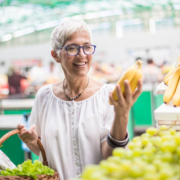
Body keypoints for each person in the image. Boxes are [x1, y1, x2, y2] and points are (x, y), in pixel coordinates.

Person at [17, 20, 142, 180]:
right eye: (72, 48)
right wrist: (31, 141)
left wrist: (122, 115)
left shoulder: (109, 95)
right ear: (55, 55)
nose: (82, 54)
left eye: (87, 47)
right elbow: (44, 151)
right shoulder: (44, 97)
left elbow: (111, 156)